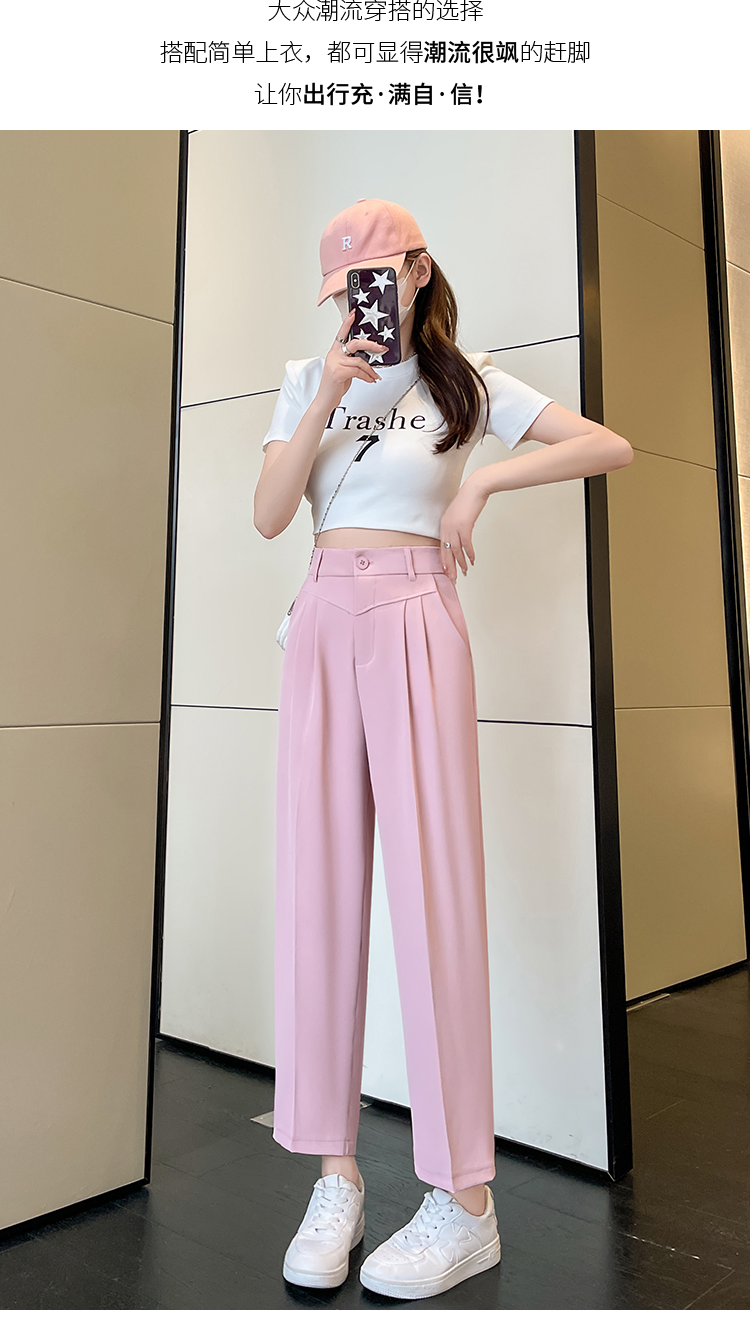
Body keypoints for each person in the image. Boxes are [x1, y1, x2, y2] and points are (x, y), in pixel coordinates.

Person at [253, 198, 633, 1301]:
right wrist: (329, 390)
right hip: (322, 619)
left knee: (437, 899)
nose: (360, 303)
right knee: (318, 893)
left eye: (377, 279)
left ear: (417, 270)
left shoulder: (466, 385)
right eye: (345, 290)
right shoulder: (305, 376)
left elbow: (607, 444)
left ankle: (465, 1201)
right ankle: (334, 1174)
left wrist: (484, 479)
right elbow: (270, 514)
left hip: (419, 615)